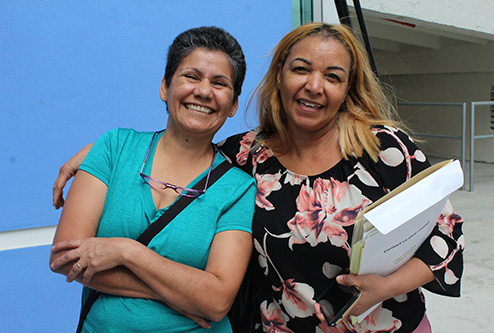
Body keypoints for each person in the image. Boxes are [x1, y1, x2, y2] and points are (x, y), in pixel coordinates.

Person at [53, 23, 464, 333]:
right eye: (300, 69)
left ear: (348, 89)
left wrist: (385, 286)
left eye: (333, 76)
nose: (314, 86)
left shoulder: (384, 149)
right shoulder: (249, 155)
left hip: (384, 326)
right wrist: (98, 152)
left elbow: (445, 234)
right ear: (280, 78)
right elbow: (185, 141)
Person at [49, 26, 257, 332]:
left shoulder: (238, 188)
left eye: (219, 83)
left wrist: (126, 251)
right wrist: (179, 296)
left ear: (233, 105)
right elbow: (67, 257)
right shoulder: (114, 148)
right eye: (191, 76)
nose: (203, 91)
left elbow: (215, 301)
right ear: (165, 86)